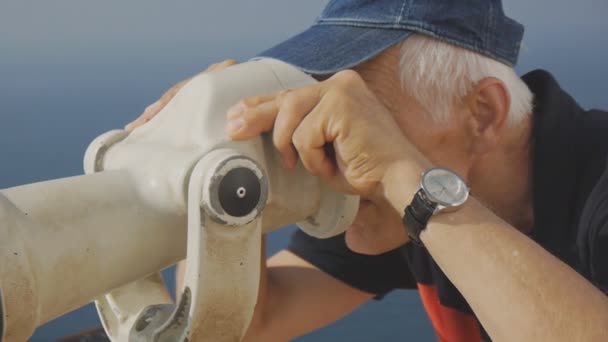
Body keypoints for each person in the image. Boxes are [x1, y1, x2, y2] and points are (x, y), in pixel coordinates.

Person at [122, 0, 608, 341]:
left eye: (367, 118)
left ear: (482, 113)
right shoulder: (406, 208)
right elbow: (247, 325)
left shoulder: (414, 195)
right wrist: (220, 155)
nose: (332, 152)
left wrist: (406, 179)